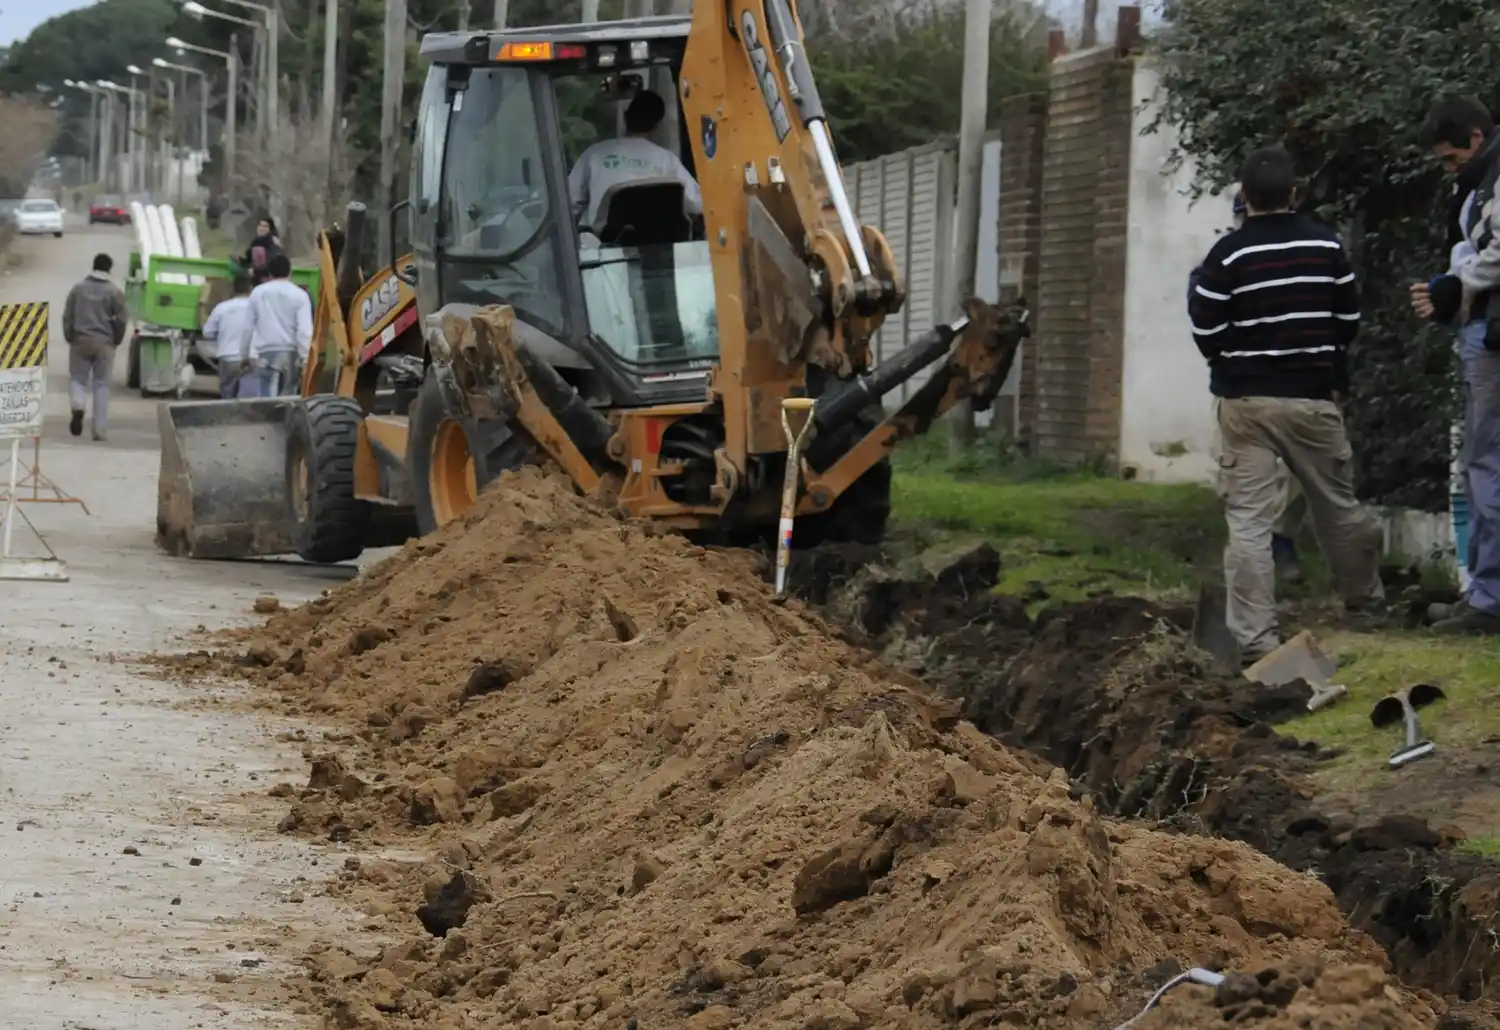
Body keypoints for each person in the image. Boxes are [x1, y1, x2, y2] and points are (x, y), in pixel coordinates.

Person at [1189, 146, 1384, 663]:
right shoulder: (1327, 246)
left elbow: (1205, 326)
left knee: (1249, 521)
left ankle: (1256, 640)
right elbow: (1347, 322)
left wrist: (1231, 359)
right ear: (1294, 193)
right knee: (1337, 506)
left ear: (1244, 196)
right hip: (1313, 398)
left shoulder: (1227, 255)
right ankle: (1365, 605)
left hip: (1246, 402)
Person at [1410, 94, 1500, 634]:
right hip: (1484, 330)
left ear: (1475, 137)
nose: (1448, 168)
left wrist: (1456, 284)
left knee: (1485, 464)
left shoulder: (1494, 177)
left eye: (1450, 156)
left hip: (1492, 336)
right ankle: (1483, 591)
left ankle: (1490, 599)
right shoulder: (1480, 178)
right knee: (1480, 464)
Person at [1191, 190, 1307, 585]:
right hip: (1240, 388)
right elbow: (1204, 321)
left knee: (1295, 471)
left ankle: (1280, 540)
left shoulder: (1303, 259)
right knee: (1240, 477)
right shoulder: (1221, 263)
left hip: (1293, 384)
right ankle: (1249, 563)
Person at [567, 89, 702, 227]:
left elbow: (569, 201)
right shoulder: (667, 161)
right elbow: (697, 204)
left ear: (625, 117)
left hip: (599, 239)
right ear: (657, 126)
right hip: (653, 238)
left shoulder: (595, 154)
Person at [61, 252, 128, 442]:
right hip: (104, 342)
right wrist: (116, 340)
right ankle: (99, 429)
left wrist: (70, 336)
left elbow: (68, 315)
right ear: (109, 269)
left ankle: (78, 404)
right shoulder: (114, 292)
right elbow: (121, 319)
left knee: (77, 378)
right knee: (101, 384)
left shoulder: (77, 289)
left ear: (94, 266)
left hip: (80, 340)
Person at [237, 254, 312, 398]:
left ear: (270, 273)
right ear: (290, 271)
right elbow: (304, 331)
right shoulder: (300, 295)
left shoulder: (258, 293)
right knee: (288, 397)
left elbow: (247, 327)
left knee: (267, 398)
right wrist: (306, 357)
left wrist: (244, 355)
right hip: (291, 353)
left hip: (266, 353)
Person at [202, 273, 254, 399]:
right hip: (250, 358)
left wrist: (222, 336)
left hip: (228, 357)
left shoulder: (222, 308)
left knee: (227, 395)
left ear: (233, 289)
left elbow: (207, 332)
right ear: (250, 289)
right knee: (247, 396)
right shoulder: (256, 308)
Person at [242, 215, 283, 286]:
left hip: (267, 280)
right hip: (258, 279)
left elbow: (273, 263)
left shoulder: (272, 242)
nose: (262, 228)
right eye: (260, 225)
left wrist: (254, 270)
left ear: (270, 228)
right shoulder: (256, 241)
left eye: (265, 226)